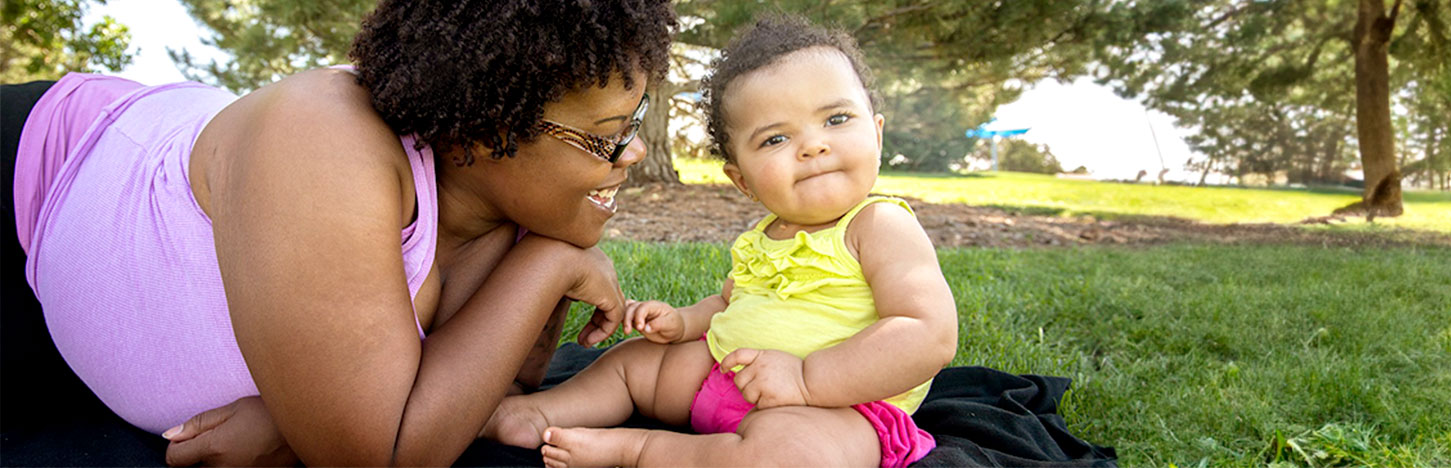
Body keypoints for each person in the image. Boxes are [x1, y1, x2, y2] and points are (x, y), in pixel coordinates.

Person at [2, 0, 677, 465]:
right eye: (606, 137)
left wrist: (298, 423)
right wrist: (550, 267)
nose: (634, 153)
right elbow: (385, 453)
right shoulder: (322, 142)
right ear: (485, 131)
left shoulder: (502, 218)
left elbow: (493, 394)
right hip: (43, 178)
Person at [480, 15, 958, 468]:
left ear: (876, 134)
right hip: (724, 376)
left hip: (836, 408)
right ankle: (538, 415)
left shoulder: (879, 225)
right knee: (633, 362)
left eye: (835, 119)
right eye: (775, 139)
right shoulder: (763, 237)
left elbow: (927, 332)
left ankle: (640, 449)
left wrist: (806, 381)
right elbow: (731, 302)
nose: (813, 146)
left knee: (790, 458)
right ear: (742, 180)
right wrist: (684, 322)